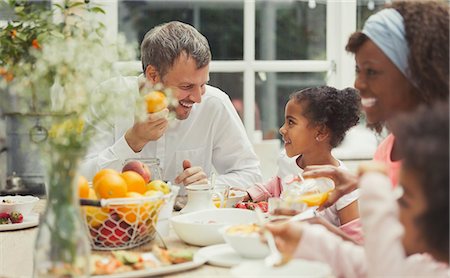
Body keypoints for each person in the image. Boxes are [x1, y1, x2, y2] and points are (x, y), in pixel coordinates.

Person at [266, 103, 449, 277]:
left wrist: (371, 181)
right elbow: (363, 264)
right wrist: (305, 238)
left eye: (404, 200)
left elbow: (381, 266)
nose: (394, 208)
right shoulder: (423, 264)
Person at [80, 21, 262, 188]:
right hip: (120, 221)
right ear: (153, 75)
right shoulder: (109, 98)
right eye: (186, 86)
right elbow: (79, 178)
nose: (198, 98)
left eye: (203, 84)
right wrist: (132, 141)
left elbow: (250, 174)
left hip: (193, 221)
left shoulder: (214, 104)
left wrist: (210, 185)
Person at [303, 0, 449, 206]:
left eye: (371, 71)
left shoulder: (440, 161)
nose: (358, 83)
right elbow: (384, 239)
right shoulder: (387, 149)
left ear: (417, 76)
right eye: (358, 70)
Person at [243, 86, 362, 240]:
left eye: (291, 122)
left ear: (320, 132)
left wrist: (319, 226)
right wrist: (250, 194)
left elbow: (354, 240)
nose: (282, 129)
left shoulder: (342, 184)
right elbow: (278, 184)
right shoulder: (287, 161)